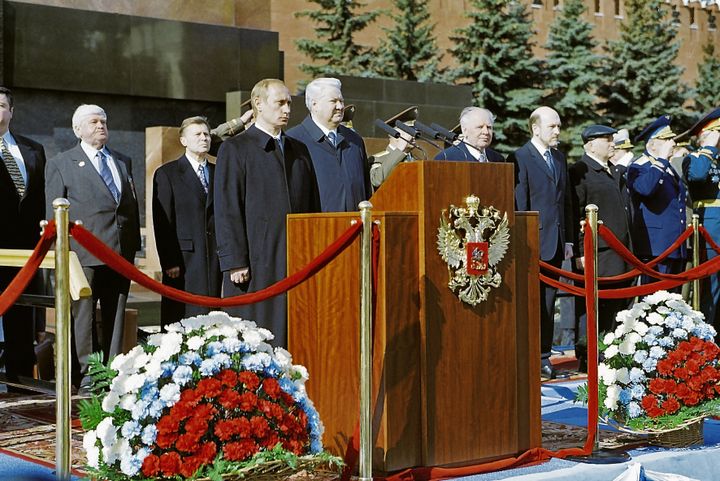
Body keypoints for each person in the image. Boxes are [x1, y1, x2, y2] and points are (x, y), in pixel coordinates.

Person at [214, 79, 320, 348]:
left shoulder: (299, 150)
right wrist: (234, 260)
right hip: (254, 261)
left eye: (289, 104)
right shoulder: (236, 148)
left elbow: (312, 206)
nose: (287, 110)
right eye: (280, 103)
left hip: (295, 259)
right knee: (256, 335)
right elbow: (227, 208)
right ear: (258, 104)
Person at [45, 104, 140, 391]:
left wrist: (132, 246)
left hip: (119, 252)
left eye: (104, 121)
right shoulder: (62, 163)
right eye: (94, 122)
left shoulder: (122, 160)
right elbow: (54, 213)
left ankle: (110, 372)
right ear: (78, 129)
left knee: (116, 315)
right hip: (82, 254)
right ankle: (88, 375)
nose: (101, 126)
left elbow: (128, 207)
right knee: (83, 318)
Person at [510, 106, 573, 378]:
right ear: (536, 128)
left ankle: (544, 356)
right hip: (533, 242)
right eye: (552, 126)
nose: (558, 131)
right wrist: (523, 240)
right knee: (531, 303)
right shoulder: (520, 157)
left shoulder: (559, 158)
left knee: (548, 303)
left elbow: (566, 202)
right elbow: (520, 202)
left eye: (559, 126)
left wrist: (569, 239)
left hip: (556, 242)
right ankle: (527, 356)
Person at [152, 116, 221, 328]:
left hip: (216, 257)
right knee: (183, 318)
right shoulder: (167, 173)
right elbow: (162, 221)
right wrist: (169, 260)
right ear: (183, 141)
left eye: (207, 134)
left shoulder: (219, 172)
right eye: (197, 134)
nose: (204, 138)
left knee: (215, 317)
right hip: (184, 260)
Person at [0, 87, 46, 389]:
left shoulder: (33, 150)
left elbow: (41, 197)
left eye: (2, 105)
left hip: (26, 250)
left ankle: (19, 385)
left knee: (21, 318)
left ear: (12, 112)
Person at [569, 124, 633, 335]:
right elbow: (576, 214)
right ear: (591, 144)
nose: (612, 143)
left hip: (621, 252)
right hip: (600, 253)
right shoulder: (580, 171)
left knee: (619, 308)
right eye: (606, 139)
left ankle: (614, 355)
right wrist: (580, 253)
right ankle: (593, 357)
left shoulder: (613, 170)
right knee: (599, 309)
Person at [286, 77, 369, 212]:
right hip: (317, 229)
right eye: (333, 101)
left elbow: (366, 191)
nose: (340, 107)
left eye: (341, 101)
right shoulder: (294, 140)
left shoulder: (355, 141)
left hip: (356, 228)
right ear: (314, 104)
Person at [627, 115, 686, 284]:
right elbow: (645, 189)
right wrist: (660, 160)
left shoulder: (667, 167)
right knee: (653, 299)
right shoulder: (640, 165)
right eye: (666, 139)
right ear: (652, 144)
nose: (672, 143)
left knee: (673, 300)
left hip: (674, 243)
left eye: (672, 139)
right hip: (655, 246)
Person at [682, 107, 720, 337]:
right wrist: (708, 147)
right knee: (711, 289)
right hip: (711, 232)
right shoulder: (695, 158)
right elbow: (696, 176)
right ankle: (707, 339)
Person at [369, 106, 420, 189]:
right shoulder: (378, 159)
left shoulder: (417, 160)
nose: (413, 135)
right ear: (395, 134)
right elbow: (376, 180)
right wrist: (399, 151)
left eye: (414, 131)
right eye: (409, 131)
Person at [434, 107, 505, 162]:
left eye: (489, 127)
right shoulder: (446, 158)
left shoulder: (498, 159)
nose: (486, 132)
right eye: (480, 127)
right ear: (465, 130)